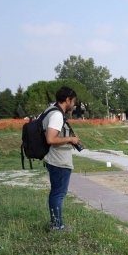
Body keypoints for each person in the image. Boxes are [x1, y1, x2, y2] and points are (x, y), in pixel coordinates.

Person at [43, 86, 81, 232]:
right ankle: (57, 226)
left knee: (56, 192)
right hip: (58, 160)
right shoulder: (57, 115)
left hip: (54, 159)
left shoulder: (49, 110)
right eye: (73, 101)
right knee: (58, 193)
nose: (74, 104)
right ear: (67, 100)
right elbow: (51, 139)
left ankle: (56, 223)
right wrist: (71, 139)